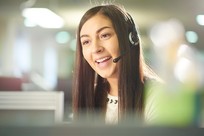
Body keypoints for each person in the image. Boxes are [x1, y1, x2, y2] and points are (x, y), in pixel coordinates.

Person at [72, 4, 161, 124]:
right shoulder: (91, 95)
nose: (95, 49)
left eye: (104, 35)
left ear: (131, 40)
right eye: (86, 41)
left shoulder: (157, 96)